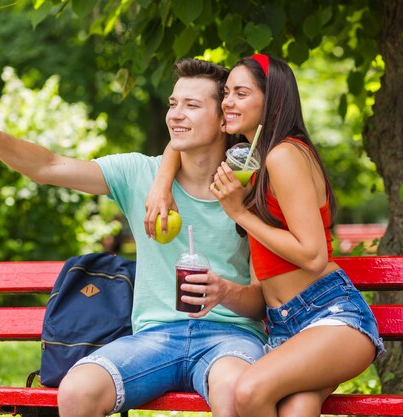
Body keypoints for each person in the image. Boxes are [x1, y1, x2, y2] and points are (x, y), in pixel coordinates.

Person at [0, 58, 267, 417]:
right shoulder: (140, 175)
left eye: (192, 105)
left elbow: (263, 303)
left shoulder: (254, 188)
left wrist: (224, 292)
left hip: (229, 339)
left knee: (233, 391)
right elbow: (49, 167)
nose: (176, 115)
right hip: (155, 337)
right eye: (173, 103)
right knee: (77, 390)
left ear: (223, 119)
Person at [146, 54, 386, 417]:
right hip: (283, 325)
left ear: (272, 99)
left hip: (328, 315)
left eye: (241, 93)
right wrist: (162, 185)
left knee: (247, 392)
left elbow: (313, 255)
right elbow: (179, 143)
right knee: (297, 408)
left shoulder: (283, 155)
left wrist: (239, 213)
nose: (228, 102)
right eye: (226, 93)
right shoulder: (251, 160)